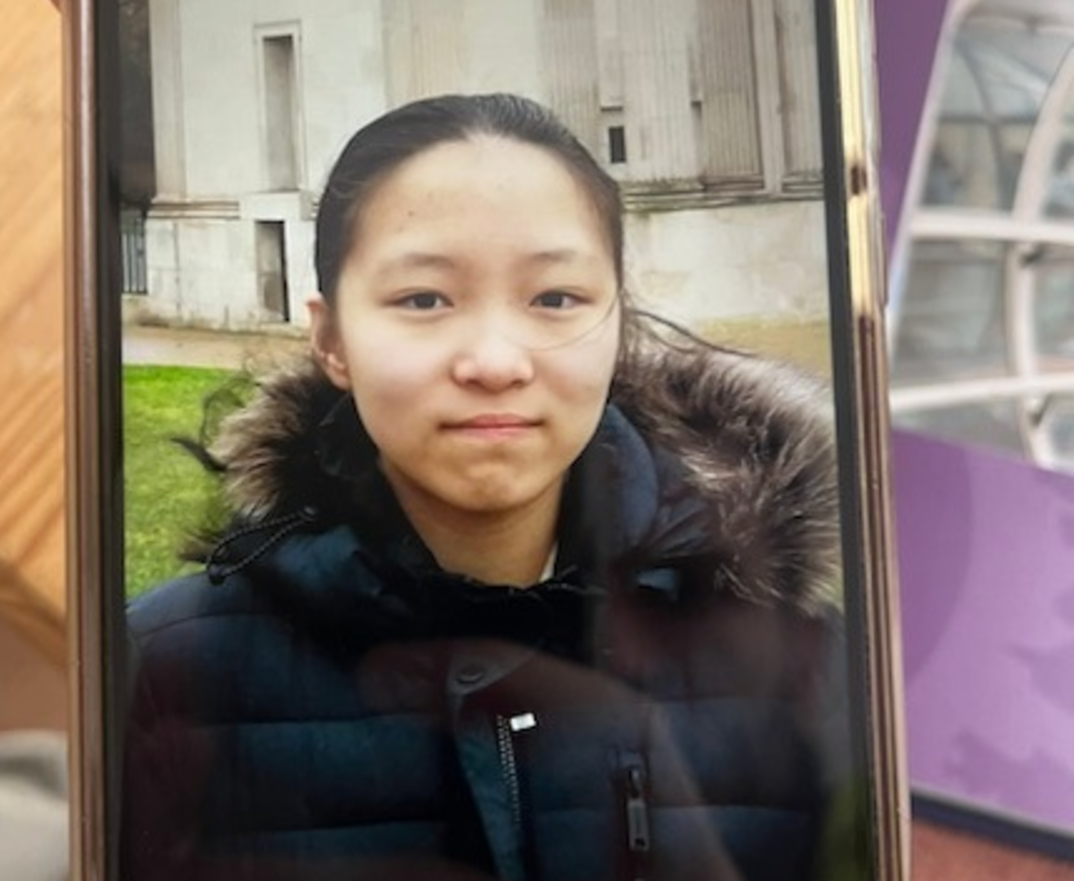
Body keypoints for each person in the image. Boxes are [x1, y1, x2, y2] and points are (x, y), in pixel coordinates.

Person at [123, 93, 845, 881]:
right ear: (331, 340)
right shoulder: (160, 672)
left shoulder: (809, 661)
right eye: (424, 299)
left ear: (616, 323)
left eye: (555, 298)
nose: (496, 362)